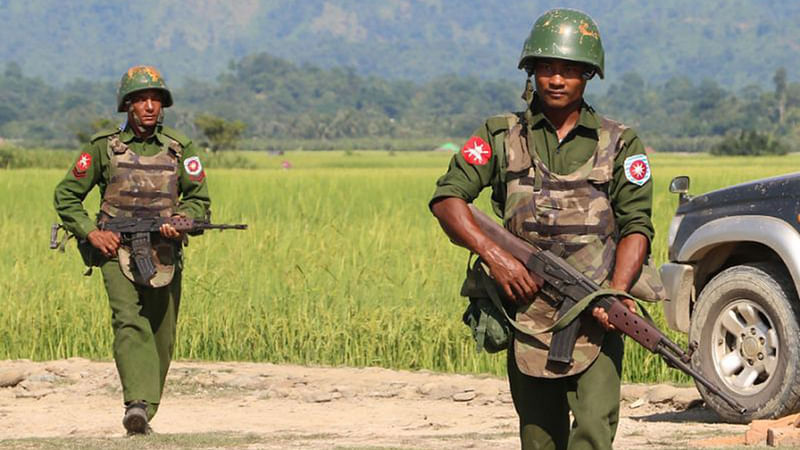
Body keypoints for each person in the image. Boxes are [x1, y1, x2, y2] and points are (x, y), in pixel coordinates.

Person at [429, 9, 655, 450]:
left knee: (593, 431)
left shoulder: (621, 143)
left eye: (569, 70)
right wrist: (497, 259)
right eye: (547, 68)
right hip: (527, 313)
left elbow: (637, 226)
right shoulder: (500, 136)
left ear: (588, 75)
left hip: (595, 313)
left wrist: (616, 293)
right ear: (531, 72)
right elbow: (448, 200)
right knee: (538, 438)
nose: (556, 79)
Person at [53, 65, 210, 435]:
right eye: (141, 100)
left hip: (164, 252)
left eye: (155, 99)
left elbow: (199, 200)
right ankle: (135, 405)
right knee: (128, 320)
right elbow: (66, 195)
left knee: (162, 332)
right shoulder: (102, 148)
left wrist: (183, 220)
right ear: (127, 106)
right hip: (113, 250)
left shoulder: (179, 148)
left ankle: (145, 409)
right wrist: (91, 233)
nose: (149, 107)